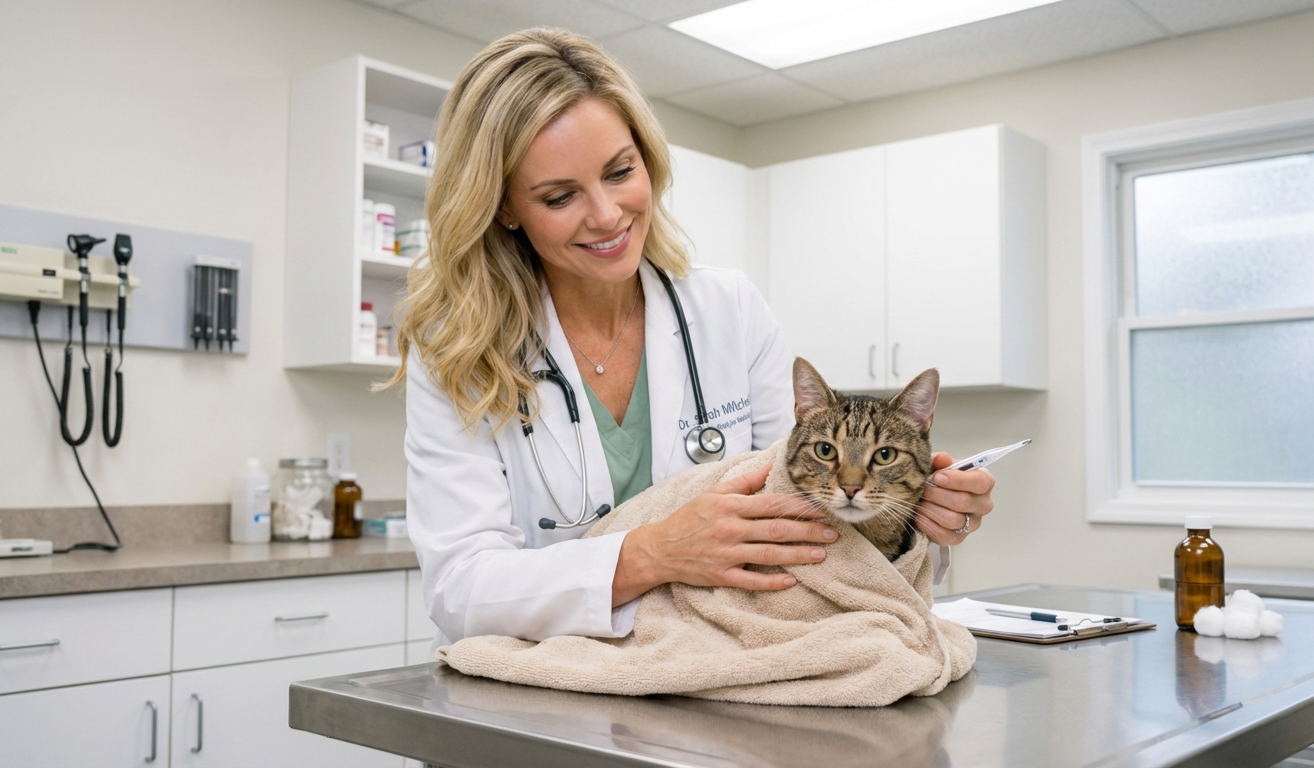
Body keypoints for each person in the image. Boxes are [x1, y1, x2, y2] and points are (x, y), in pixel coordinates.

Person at [387, 28, 996, 645]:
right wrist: (655, 552)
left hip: (716, 670)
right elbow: (460, 590)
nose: (605, 215)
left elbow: (806, 513)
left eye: (621, 171)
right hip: (540, 692)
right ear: (504, 207)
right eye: (560, 195)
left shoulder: (726, 308)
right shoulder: (459, 353)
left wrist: (925, 518)